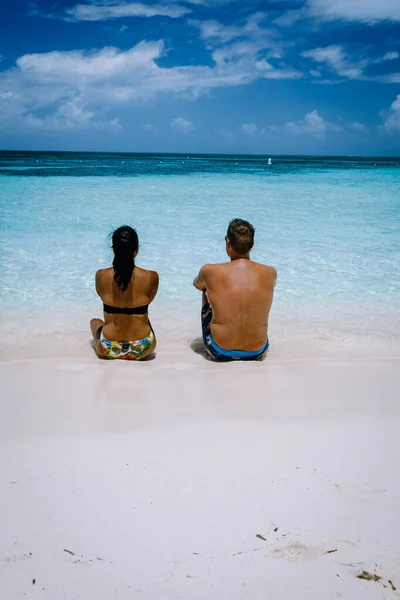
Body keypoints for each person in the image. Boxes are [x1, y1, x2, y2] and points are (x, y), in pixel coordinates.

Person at [193, 218, 277, 361]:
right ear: (252, 244)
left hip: (220, 350)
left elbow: (197, 284)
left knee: (206, 290)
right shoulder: (270, 273)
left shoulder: (210, 270)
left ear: (228, 243)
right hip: (257, 351)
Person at [90, 225, 159, 360]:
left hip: (107, 348)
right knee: (143, 316)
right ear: (136, 250)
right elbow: (149, 300)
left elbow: (101, 294)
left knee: (94, 322)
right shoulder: (151, 276)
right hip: (144, 348)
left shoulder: (101, 275)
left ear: (113, 249)